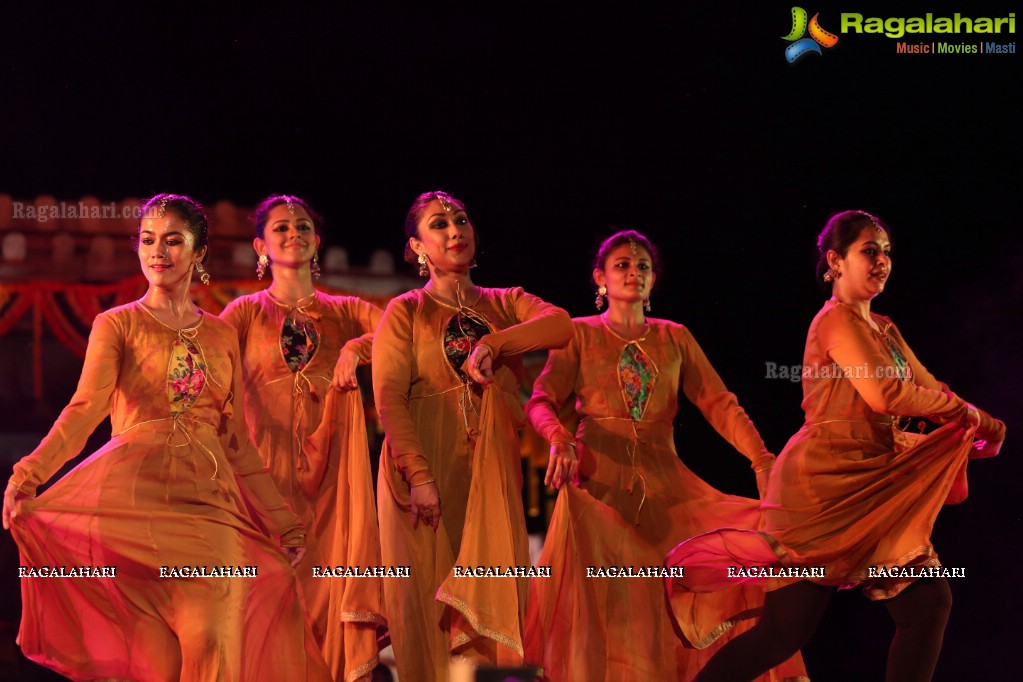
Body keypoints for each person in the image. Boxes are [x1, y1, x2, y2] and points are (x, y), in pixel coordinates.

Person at [2, 193, 330, 681]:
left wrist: (283, 523)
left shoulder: (221, 336)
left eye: (173, 240)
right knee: (158, 668)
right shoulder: (117, 324)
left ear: (198, 252)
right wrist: (29, 474)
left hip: (209, 514)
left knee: (214, 649)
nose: (158, 251)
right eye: (148, 240)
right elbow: (84, 411)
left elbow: (235, 439)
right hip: (134, 513)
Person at [666, 210, 1006, 682]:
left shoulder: (884, 327)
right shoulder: (835, 321)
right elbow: (884, 394)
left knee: (928, 601)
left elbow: (932, 388)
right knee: (784, 633)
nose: (882, 260)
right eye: (869, 250)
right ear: (835, 261)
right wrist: (970, 417)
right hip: (822, 488)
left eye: (887, 251)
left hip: (873, 482)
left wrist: (978, 421)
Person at [523, 229, 806, 681]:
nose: (634, 272)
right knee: (616, 612)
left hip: (668, 489)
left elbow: (719, 403)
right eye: (622, 265)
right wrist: (558, 438)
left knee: (681, 595)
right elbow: (540, 400)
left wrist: (762, 459)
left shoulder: (675, 338)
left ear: (653, 280)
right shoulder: (576, 334)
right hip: (599, 491)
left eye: (643, 267)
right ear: (600, 278)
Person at [372, 190, 573, 681]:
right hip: (422, 478)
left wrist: (494, 342)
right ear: (417, 247)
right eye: (439, 224)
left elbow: (560, 325)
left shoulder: (505, 303)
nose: (455, 231)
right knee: (427, 616)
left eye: (460, 220)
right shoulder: (406, 311)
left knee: (492, 615)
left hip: (491, 482)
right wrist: (419, 475)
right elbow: (388, 401)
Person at [221, 194, 385, 681]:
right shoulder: (243, 313)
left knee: (327, 595)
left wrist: (357, 346)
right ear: (260, 245)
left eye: (304, 226)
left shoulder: (347, 310)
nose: (294, 233)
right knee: (265, 599)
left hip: (333, 483)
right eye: (281, 228)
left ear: (318, 242)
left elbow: (402, 335)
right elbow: (206, 366)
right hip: (262, 481)